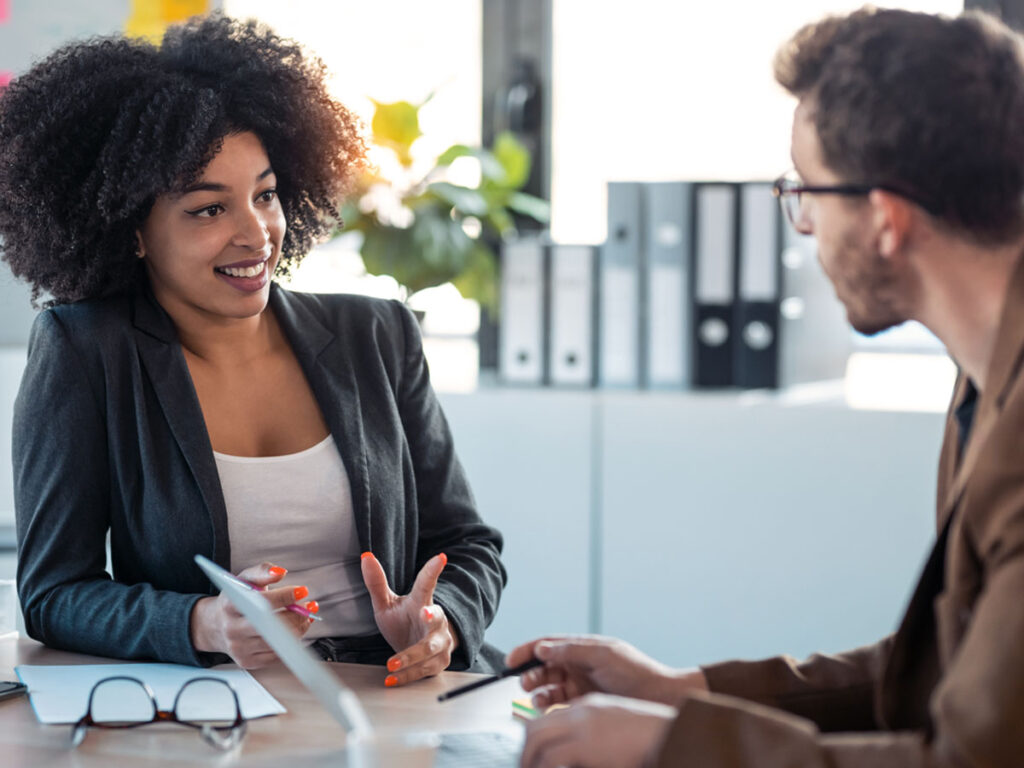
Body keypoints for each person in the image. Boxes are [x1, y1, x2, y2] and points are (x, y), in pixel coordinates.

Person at [510, 7, 1024, 767]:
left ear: (884, 219)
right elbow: (949, 674)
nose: (804, 226)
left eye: (807, 192)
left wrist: (677, 746)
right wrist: (683, 691)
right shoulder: (982, 381)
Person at [0, 13, 506, 682]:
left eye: (265, 195)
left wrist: (440, 619)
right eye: (210, 209)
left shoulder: (376, 336)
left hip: (397, 691)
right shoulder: (88, 351)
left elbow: (467, 545)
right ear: (133, 232)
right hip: (223, 703)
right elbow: (53, 593)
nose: (257, 233)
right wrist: (204, 623)